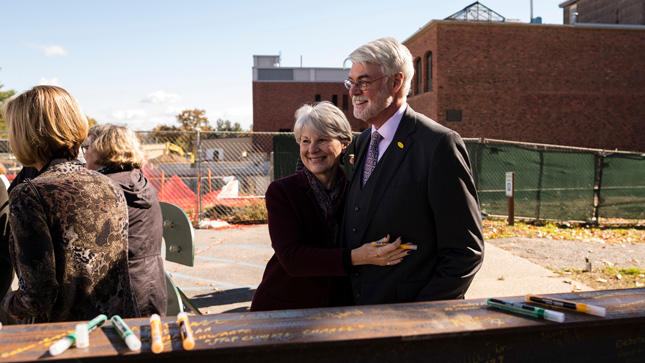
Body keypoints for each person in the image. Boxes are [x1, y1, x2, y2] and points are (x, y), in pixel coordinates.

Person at [342, 38, 484, 305]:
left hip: (407, 321)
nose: (353, 91)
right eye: (351, 82)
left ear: (395, 83)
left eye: (364, 81)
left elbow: (465, 251)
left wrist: (420, 316)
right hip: (357, 315)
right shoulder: (362, 142)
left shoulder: (438, 144)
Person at [250, 101, 411, 312]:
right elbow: (293, 259)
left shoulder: (357, 191)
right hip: (285, 308)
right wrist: (357, 257)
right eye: (305, 141)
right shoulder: (282, 192)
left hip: (339, 309)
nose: (312, 149)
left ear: (344, 143)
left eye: (322, 139)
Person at [1, 85, 138, 323]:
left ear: (26, 134)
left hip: (61, 338)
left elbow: (37, 297)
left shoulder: (30, 193)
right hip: (114, 329)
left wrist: (7, 304)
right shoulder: (107, 184)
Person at [83, 124, 166, 317]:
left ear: (101, 150)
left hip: (120, 289)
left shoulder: (104, 187)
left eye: (87, 147)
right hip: (151, 282)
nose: (84, 154)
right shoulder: (138, 180)